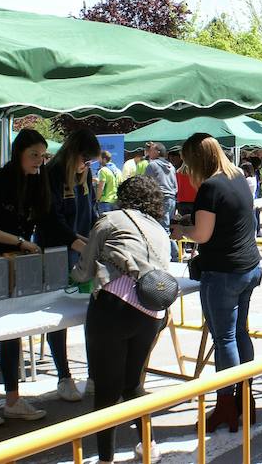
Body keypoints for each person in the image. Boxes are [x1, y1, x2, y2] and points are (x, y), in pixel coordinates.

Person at [0, 129, 77, 424]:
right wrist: (18, 242)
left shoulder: (38, 183)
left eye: (42, 155)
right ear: (18, 154)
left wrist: (81, 242)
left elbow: (51, 222)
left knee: (11, 331)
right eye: (33, 155)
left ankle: (12, 400)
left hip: (16, 264)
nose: (39, 161)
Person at [72, 176, 172, 464]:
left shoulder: (110, 219)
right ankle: (148, 446)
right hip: (151, 311)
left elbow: (84, 270)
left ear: (123, 196)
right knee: (133, 385)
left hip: (113, 309)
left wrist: (73, 277)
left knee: (106, 391)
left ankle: (106, 459)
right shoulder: (159, 229)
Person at [172, 133, 262, 433]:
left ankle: (226, 403)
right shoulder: (236, 176)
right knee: (239, 334)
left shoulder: (210, 186)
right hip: (247, 267)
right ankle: (244, 398)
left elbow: (202, 234)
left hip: (223, 272)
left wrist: (180, 230)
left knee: (224, 339)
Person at [42, 128, 100, 401]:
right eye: (85, 160)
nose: (86, 167)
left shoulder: (84, 174)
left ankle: (93, 374)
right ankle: (64, 376)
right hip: (57, 252)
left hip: (83, 252)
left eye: (90, 163)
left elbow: (92, 211)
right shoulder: (52, 174)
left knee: (92, 312)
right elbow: (52, 220)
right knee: (59, 316)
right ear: (74, 153)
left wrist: (99, 237)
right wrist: (79, 244)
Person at [144, 142, 177, 230]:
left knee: (161, 229)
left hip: (160, 199)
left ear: (157, 152)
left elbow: (147, 183)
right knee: (167, 228)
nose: (148, 152)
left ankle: (169, 244)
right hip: (172, 199)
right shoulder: (171, 166)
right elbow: (175, 186)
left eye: (151, 150)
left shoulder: (152, 165)